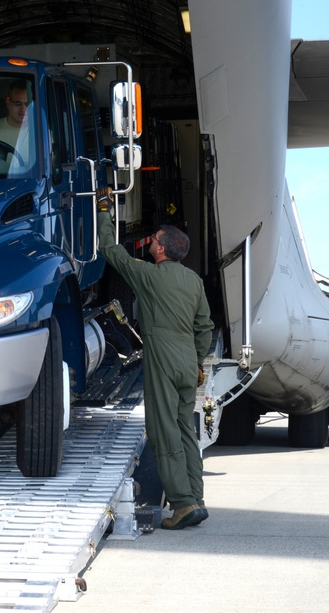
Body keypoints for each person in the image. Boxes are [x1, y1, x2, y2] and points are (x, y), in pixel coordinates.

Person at [96, 200, 214, 530]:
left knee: (164, 433)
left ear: (161, 248)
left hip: (162, 354)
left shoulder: (148, 275)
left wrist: (104, 212)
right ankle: (197, 499)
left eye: (154, 239)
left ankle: (181, 504)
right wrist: (197, 359)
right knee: (185, 431)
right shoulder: (193, 281)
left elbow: (111, 250)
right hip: (188, 359)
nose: (150, 242)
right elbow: (204, 326)